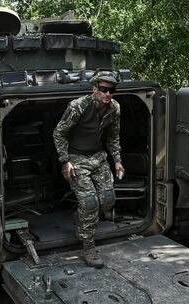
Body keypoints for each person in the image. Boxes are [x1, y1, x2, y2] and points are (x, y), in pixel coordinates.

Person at [53, 70, 124, 268]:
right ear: (94, 89)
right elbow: (59, 133)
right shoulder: (78, 106)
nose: (107, 94)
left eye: (111, 90)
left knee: (108, 201)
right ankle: (88, 246)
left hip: (98, 157)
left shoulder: (114, 108)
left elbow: (112, 137)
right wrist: (64, 161)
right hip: (76, 158)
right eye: (103, 89)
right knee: (90, 202)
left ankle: (80, 216)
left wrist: (117, 160)